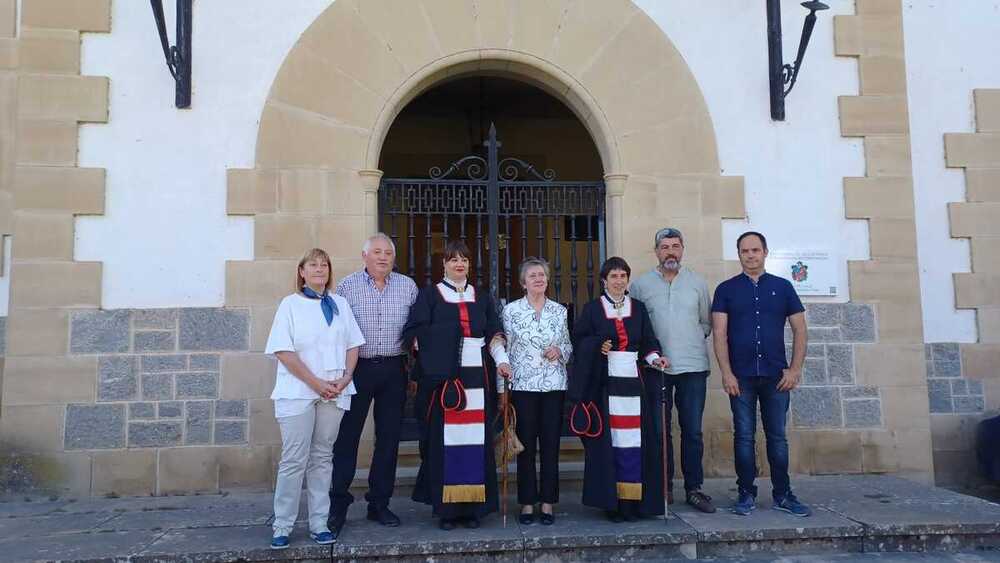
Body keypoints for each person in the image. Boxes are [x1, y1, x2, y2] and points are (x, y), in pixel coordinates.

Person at [402, 240, 511, 530]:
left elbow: (494, 334)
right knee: (443, 444)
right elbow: (414, 333)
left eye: (464, 259)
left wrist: (501, 360)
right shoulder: (430, 296)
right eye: (453, 260)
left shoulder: (483, 298)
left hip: (479, 380)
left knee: (476, 442)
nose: (459, 264)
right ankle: (447, 511)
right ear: (444, 264)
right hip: (444, 383)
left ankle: (473, 509)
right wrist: (445, 341)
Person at [265, 248, 365, 549]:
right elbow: (284, 351)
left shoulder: (340, 305)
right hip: (299, 393)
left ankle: (319, 522)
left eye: (325, 264)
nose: (320, 269)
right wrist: (316, 383)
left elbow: (353, 344)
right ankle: (282, 524)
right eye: (313, 265)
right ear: (302, 272)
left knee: (322, 457)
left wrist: (345, 378)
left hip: (334, 392)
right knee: (294, 459)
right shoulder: (290, 305)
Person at [711, 231, 811, 517]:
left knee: (777, 438)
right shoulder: (725, 289)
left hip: (776, 377)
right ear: (739, 254)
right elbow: (719, 334)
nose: (750, 255)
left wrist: (795, 369)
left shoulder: (783, 287)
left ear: (765, 252)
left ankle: (783, 494)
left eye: (755, 250)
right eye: (745, 251)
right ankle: (745, 493)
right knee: (743, 437)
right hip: (740, 378)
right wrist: (726, 373)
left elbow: (800, 329)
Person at [328, 233, 419, 538]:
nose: (383, 257)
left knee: (389, 439)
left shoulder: (408, 286)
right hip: (358, 370)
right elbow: (336, 333)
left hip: (394, 369)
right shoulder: (346, 287)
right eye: (377, 252)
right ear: (364, 255)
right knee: (347, 438)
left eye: (388, 253)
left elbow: (416, 330)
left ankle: (379, 503)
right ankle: (338, 504)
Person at [570, 256, 670, 522]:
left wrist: (654, 358)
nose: (618, 281)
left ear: (628, 279)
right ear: (604, 280)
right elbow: (578, 341)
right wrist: (597, 346)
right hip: (604, 385)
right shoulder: (592, 309)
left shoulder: (638, 308)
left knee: (636, 443)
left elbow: (648, 341)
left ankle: (634, 503)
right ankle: (612, 504)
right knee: (610, 444)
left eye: (623, 276)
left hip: (634, 385)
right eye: (613, 276)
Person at [629, 228, 716, 513]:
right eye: (664, 247)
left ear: (682, 250)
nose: (670, 252)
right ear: (656, 251)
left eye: (675, 246)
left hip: (692, 367)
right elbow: (638, 326)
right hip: (656, 370)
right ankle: (662, 487)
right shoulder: (641, 285)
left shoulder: (698, 283)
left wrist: (685, 342)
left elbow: (705, 323)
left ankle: (694, 488)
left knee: (692, 431)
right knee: (658, 430)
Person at [498, 257, 572, 526]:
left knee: (551, 445)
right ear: (523, 282)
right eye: (532, 276)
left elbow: (568, 345)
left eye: (542, 275)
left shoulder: (559, 311)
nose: (538, 279)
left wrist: (560, 351)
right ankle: (528, 503)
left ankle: (548, 503)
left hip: (553, 385)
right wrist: (501, 392)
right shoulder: (511, 312)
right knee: (526, 446)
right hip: (524, 386)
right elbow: (502, 351)